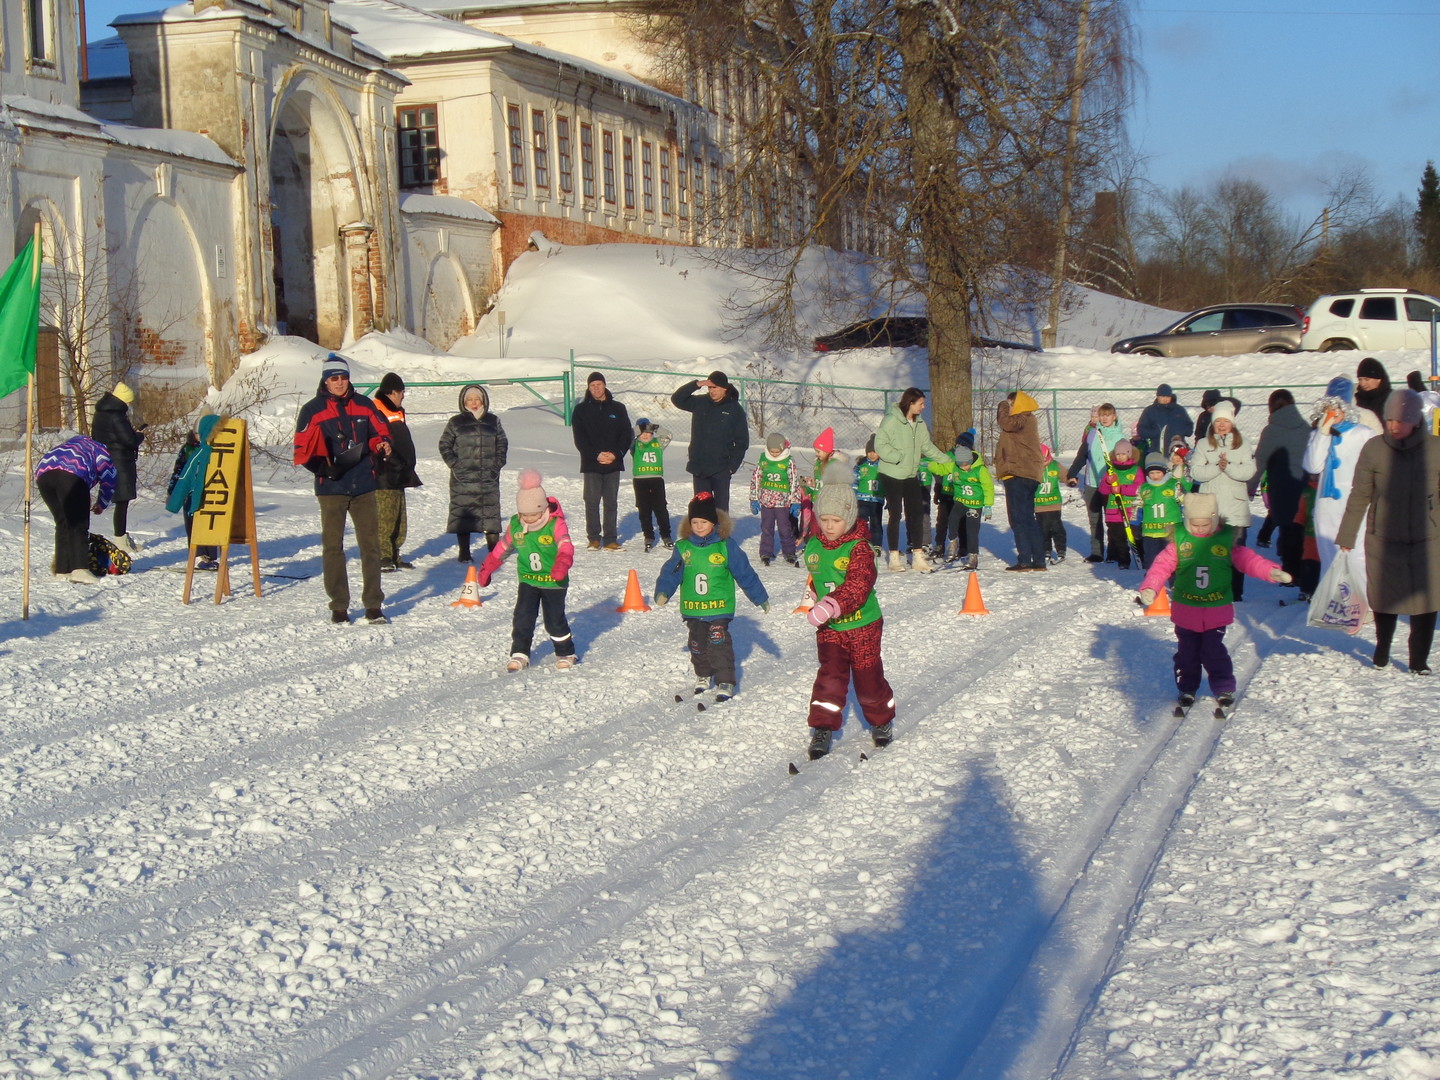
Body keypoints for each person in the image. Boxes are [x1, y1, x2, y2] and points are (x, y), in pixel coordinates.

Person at [1139, 492, 1291, 710]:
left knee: (1213, 651)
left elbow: (1249, 561)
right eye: (1195, 524)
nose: (1200, 529)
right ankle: (1187, 687)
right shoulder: (1179, 543)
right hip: (1186, 610)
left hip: (1215, 610)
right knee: (1187, 654)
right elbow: (1161, 566)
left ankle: (1223, 687)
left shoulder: (1225, 543)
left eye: (1205, 524)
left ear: (1214, 520)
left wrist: (1272, 572)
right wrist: (1150, 588)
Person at [1336, 389, 1440, 675]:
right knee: (1385, 597)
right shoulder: (1374, 449)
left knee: (1426, 600)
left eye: (1399, 421)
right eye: (1389, 420)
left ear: (1415, 420)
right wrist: (1347, 535)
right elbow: (1360, 495)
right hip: (1383, 537)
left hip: (1427, 538)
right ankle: (1382, 648)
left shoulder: (1435, 449)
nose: (1393, 426)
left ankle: (1419, 660)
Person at [801, 459, 895, 762]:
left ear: (850, 518)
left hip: (863, 624)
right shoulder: (814, 548)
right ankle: (823, 726)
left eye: (835, 521)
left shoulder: (859, 549)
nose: (829, 526)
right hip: (830, 629)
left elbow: (858, 584)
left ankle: (881, 719)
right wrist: (814, 598)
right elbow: (818, 581)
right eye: (824, 520)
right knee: (830, 676)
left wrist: (830, 605)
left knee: (867, 677)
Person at [292, 353, 393, 624]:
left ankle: (373, 604)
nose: (339, 382)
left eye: (344, 377)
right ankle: (339, 605)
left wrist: (382, 444)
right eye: (334, 378)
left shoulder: (364, 405)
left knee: (371, 545)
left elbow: (380, 432)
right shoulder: (312, 410)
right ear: (325, 380)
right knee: (333, 547)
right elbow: (301, 448)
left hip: (364, 484)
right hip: (331, 487)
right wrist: (324, 469)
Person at [654, 492, 769, 704]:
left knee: (718, 642)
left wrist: (759, 597)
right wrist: (663, 592)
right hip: (693, 608)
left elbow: (744, 572)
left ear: (713, 522)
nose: (698, 526)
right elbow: (671, 573)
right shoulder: (683, 548)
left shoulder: (725, 545)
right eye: (695, 522)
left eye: (703, 522)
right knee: (697, 643)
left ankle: (725, 680)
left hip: (719, 607)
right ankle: (703, 674)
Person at [477, 470, 578, 672]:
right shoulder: (516, 525)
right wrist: (488, 567)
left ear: (543, 509)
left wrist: (561, 564)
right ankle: (520, 653)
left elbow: (565, 546)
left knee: (554, 620)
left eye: (533, 514)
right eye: (524, 514)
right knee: (523, 616)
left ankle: (566, 652)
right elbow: (503, 547)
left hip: (553, 582)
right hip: (528, 580)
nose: (529, 519)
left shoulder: (555, 524)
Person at [1303, 376, 1377, 587]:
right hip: (1326, 506)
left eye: (1337, 408)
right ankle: (1333, 603)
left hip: (1354, 503)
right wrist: (1322, 434)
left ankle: (1362, 602)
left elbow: (1375, 467)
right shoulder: (1319, 435)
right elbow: (1312, 466)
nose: (1333, 413)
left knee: (1357, 555)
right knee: (1329, 555)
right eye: (1328, 408)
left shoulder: (1363, 433)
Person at [874, 387, 954, 573]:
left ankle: (918, 555)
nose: (923, 407)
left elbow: (927, 446)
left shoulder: (920, 423)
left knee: (917, 513)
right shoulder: (892, 420)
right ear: (910, 403)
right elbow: (880, 443)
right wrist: (897, 457)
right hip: (892, 473)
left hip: (910, 473)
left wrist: (947, 460)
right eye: (921, 403)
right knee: (896, 514)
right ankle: (894, 556)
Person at [1187, 399, 1257, 600]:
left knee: (1236, 551)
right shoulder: (1203, 444)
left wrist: (1230, 467)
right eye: (1218, 421)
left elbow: (1248, 471)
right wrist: (1217, 466)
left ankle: (1235, 592)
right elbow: (1196, 472)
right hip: (1210, 506)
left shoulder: (1242, 443)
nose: (1222, 425)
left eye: (1226, 421)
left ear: (1232, 422)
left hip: (1235, 507)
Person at [439, 383, 508, 563]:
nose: (474, 402)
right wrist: (455, 465)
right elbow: (444, 445)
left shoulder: (493, 421)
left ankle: (494, 551)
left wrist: (497, 464)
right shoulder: (455, 422)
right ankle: (464, 552)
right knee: (464, 514)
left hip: (488, 477)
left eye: (477, 398)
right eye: (470, 399)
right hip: (463, 478)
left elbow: (502, 444)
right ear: (464, 402)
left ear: (483, 400)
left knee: (490, 514)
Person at [34, 434, 116, 583]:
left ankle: (62, 569)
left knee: (63, 522)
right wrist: (102, 503)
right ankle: (80, 570)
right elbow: (109, 477)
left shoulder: (64, 447)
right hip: (72, 474)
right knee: (78, 523)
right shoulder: (99, 448)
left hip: (44, 475)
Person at [1250, 388, 1310, 582]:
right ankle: (1305, 573)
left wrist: (1250, 487)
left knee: (1287, 530)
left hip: (1281, 488)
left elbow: (1260, 462)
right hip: (1304, 487)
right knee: (1302, 530)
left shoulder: (1271, 431)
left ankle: (1291, 574)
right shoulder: (1306, 428)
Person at [670, 370, 749, 513]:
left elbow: (742, 441)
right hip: (699, 466)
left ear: (725, 388)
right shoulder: (699, 402)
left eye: (715, 387)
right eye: (710, 387)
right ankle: (702, 535)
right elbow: (677, 399)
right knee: (701, 508)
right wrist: (697, 384)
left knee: (721, 510)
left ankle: (722, 535)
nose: (712, 391)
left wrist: (732, 466)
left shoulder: (734, 409)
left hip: (721, 468)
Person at [571, 369, 631, 550]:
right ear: (588, 388)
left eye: (599, 384)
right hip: (591, 464)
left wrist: (616, 454)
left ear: (604, 385)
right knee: (592, 501)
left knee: (611, 502)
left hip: (613, 463)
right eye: (592, 386)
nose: (596, 388)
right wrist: (596, 455)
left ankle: (611, 538)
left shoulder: (618, 408)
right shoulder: (581, 410)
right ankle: (594, 538)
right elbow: (580, 439)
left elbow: (626, 434)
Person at [372, 372, 422, 571]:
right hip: (385, 474)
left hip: (400, 472)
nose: (403, 396)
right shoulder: (376, 410)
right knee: (386, 518)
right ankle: (383, 557)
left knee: (400, 520)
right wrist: (392, 461)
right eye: (401, 392)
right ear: (392, 392)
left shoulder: (396, 410)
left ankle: (394, 554)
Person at [1066, 403, 1126, 562]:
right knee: (1094, 520)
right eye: (1102, 415)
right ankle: (1097, 553)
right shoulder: (1092, 434)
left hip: (1110, 485)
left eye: (1108, 415)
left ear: (1114, 416)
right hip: (1091, 482)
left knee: (1112, 520)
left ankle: (1114, 553)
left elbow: (1126, 463)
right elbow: (1081, 456)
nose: (1105, 418)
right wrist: (1072, 473)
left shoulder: (1120, 437)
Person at [994, 389, 1046, 572]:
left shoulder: (1022, 418)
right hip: (1026, 473)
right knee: (1027, 517)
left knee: (1019, 518)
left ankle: (1025, 560)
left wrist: (1002, 406)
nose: (1008, 408)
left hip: (1019, 473)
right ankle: (1038, 560)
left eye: (1010, 404)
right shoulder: (1027, 418)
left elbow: (1005, 423)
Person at [91, 381, 146, 553]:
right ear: (123, 401)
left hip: (105, 460)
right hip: (120, 461)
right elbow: (128, 441)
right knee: (122, 501)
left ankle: (122, 537)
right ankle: (121, 539)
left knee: (119, 500)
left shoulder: (100, 413)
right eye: (128, 403)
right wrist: (139, 435)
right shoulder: (117, 416)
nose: (128, 406)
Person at [165, 413, 221, 571]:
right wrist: (172, 491)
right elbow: (179, 471)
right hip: (190, 494)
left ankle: (209, 556)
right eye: (196, 433)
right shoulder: (189, 449)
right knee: (192, 524)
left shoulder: (216, 450)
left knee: (209, 524)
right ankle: (197, 555)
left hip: (210, 493)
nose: (197, 436)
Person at [940, 432, 994, 570]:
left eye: (966, 465)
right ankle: (953, 541)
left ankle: (973, 556)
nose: (964, 468)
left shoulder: (980, 470)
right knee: (952, 519)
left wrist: (988, 505)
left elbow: (988, 488)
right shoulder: (956, 465)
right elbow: (941, 468)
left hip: (975, 504)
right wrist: (927, 464)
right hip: (961, 501)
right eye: (961, 465)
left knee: (971, 531)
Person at [749, 431, 802, 566]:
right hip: (766, 502)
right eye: (772, 451)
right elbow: (756, 479)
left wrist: (795, 501)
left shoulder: (788, 461)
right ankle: (766, 551)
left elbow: (794, 482)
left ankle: (789, 551)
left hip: (782, 503)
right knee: (767, 527)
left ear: (782, 448)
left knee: (785, 528)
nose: (774, 454)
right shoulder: (763, 460)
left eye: (777, 451)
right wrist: (754, 498)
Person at [1096, 438, 1142, 570]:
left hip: (1132, 511)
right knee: (1119, 539)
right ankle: (1123, 561)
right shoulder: (1111, 470)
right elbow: (1103, 490)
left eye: (1123, 454)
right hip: (1114, 511)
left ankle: (1142, 560)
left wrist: (1122, 489)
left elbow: (1139, 489)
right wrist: (1108, 483)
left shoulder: (1136, 470)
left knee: (1136, 538)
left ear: (1129, 454)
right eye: (1118, 454)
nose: (1120, 456)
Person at [631, 417, 674, 552]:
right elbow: (626, 436)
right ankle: (648, 535)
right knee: (644, 509)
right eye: (643, 432)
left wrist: (655, 427)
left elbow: (668, 435)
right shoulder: (635, 444)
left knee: (660, 508)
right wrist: (639, 428)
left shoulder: (658, 443)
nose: (645, 435)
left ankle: (666, 535)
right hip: (640, 481)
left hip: (656, 480)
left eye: (648, 432)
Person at [1137, 452, 1183, 569]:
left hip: (1170, 532)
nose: (1155, 476)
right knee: (1151, 562)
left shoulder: (1173, 485)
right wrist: (1135, 524)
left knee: (1172, 560)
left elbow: (1185, 502)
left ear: (1164, 471)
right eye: (1152, 473)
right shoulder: (1144, 488)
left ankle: (1174, 585)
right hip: (1150, 532)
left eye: (1158, 472)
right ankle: (1152, 585)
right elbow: (1136, 507)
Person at [1136, 384, 1192, 460]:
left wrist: (1179, 432)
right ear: (1157, 396)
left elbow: (1189, 427)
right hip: (1157, 451)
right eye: (1162, 396)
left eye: (1167, 396)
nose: (1165, 399)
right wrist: (1156, 432)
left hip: (1177, 453)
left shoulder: (1179, 410)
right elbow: (1141, 430)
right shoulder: (1150, 411)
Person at [1035, 443, 1067, 565]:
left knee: (1056, 527)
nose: (1043, 460)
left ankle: (1061, 550)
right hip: (1039, 504)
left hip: (1054, 503)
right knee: (1043, 529)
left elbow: (1065, 475)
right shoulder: (1033, 468)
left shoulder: (1055, 466)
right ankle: (1046, 550)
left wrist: (1071, 480)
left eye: (1045, 457)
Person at [854, 436, 884, 554]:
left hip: (877, 499)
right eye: (869, 452)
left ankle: (876, 544)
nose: (872, 455)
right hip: (862, 498)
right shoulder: (861, 466)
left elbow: (887, 482)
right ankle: (861, 541)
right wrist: (854, 493)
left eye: (874, 452)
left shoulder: (883, 466)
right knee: (861, 521)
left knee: (876, 523)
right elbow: (855, 479)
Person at [1353, 356, 1391, 432]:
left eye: (1367, 379)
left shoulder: (1392, 399)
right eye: (1360, 379)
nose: (1363, 383)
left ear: (1379, 379)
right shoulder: (1355, 399)